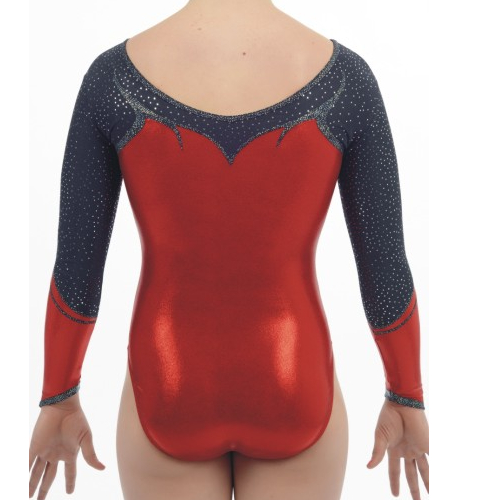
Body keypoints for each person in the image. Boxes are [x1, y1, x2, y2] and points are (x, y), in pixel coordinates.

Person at [29, 1, 429, 499]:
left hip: (167, 379)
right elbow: (386, 269)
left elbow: (76, 268)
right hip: (295, 376)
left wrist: (59, 395)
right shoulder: (345, 79)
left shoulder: (113, 78)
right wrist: (406, 394)